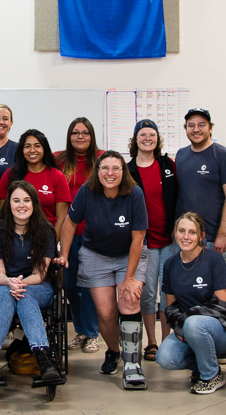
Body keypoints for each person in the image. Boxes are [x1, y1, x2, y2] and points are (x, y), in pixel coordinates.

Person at [56, 151, 149, 390]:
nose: (110, 173)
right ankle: (115, 351)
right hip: (96, 254)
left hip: (129, 253)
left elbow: (138, 238)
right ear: (97, 172)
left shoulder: (134, 193)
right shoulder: (87, 192)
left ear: (123, 171)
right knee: (106, 314)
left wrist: (129, 279)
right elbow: (70, 223)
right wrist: (64, 254)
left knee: (129, 301)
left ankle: (132, 365)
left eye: (116, 168)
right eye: (104, 168)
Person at [0, 181, 61, 383]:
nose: (21, 205)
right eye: (16, 200)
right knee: (8, 295)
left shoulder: (46, 230)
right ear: (9, 204)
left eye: (26, 200)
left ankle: (44, 362)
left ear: (34, 204)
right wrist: (10, 283)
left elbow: (39, 274)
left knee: (25, 295)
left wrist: (19, 284)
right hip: (0, 286)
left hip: (36, 286)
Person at [156, 213, 226, 395]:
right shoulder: (170, 264)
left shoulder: (213, 260)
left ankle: (211, 375)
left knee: (194, 324)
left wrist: (187, 323)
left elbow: (222, 307)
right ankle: (203, 363)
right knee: (165, 358)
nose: (186, 237)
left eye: (192, 232)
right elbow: (170, 308)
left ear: (201, 236)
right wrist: (182, 326)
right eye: (182, 231)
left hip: (221, 332)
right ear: (175, 234)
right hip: (187, 330)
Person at [125, 119, 177, 361]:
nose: (148, 138)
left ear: (158, 139)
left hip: (169, 241)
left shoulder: (168, 165)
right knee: (147, 294)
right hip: (143, 243)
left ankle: (167, 341)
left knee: (168, 293)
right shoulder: (127, 171)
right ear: (135, 139)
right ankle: (152, 342)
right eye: (143, 134)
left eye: (152, 134)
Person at [54, 117, 103, 354]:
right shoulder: (58, 160)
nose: (80, 137)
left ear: (92, 136)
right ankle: (81, 331)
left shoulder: (103, 159)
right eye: (75, 133)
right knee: (71, 285)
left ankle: (93, 334)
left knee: (91, 286)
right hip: (68, 234)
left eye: (85, 133)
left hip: (95, 235)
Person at [174, 108, 226, 255]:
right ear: (186, 129)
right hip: (183, 238)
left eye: (201, 125)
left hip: (211, 238)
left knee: (209, 278)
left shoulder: (224, 155)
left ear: (210, 128)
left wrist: (222, 234)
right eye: (191, 125)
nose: (196, 129)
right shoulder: (180, 155)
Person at [0, 128, 71, 236]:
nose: (32, 150)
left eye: (37, 145)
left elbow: (62, 217)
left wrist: (52, 244)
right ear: (21, 150)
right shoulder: (10, 174)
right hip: (14, 238)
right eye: (27, 146)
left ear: (44, 149)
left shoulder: (57, 176)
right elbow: (1, 214)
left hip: (46, 237)